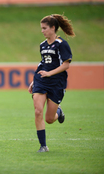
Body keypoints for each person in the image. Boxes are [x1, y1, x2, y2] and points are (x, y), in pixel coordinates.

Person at [28, 14, 75, 152]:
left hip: (57, 83)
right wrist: (33, 80)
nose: (42, 31)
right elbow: (43, 63)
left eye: (44, 28)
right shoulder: (42, 45)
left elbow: (66, 65)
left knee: (49, 119)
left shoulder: (62, 44)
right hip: (41, 81)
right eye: (41, 28)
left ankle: (58, 112)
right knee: (38, 111)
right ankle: (43, 146)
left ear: (53, 28)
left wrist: (50, 73)